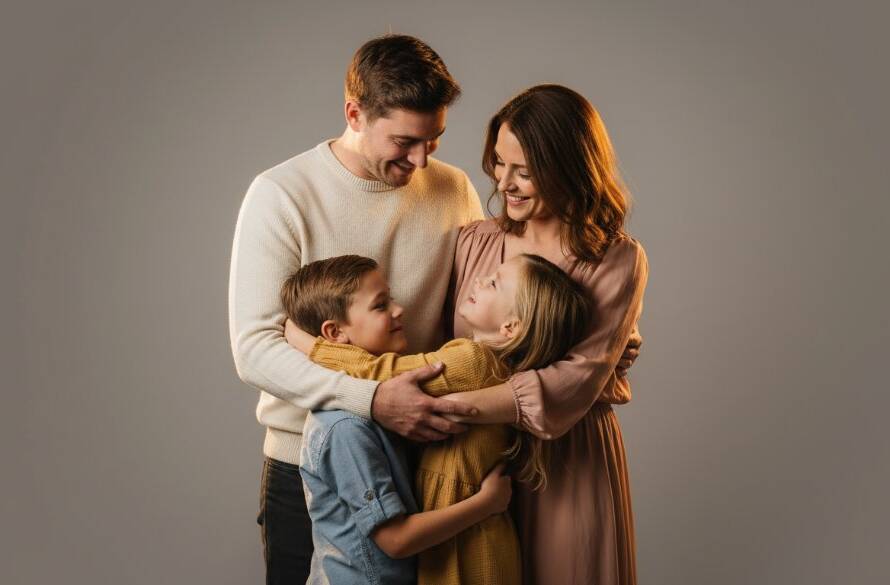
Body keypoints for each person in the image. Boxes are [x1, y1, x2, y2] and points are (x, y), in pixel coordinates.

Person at [228, 34, 484, 584]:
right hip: (309, 466)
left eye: (433, 141)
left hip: (432, 461)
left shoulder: (454, 188)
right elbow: (255, 350)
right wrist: (373, 400)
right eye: (404, 141)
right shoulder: (281, 194)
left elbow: (489, 304)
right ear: (354, 113)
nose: (419, 160)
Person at [438, 84, 649, 585]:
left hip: (566, 467)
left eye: (525, 171)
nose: (504, 183)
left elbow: (574, 381)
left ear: (569, 168)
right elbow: (439, 349)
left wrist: (445, 407)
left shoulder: (615, 258)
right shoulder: (474, 242)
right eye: (499, 164)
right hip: (473, 460)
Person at [283, 250, 591, 584]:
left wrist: (308, 345)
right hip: (452, 539)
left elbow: (380, 373)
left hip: (470, 551)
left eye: (494, 283)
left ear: (510, 326)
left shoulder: (473, 362)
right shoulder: (481, 365)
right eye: (381, 304)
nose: (479, 279)